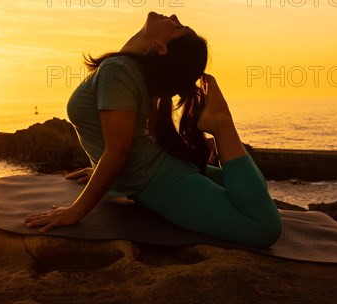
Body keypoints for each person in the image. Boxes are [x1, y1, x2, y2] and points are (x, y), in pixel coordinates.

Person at [25, 12, 282, 248]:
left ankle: (222, 125)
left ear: (161, 47)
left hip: (161, 181)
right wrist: (101, 170)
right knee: (253, 197)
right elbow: (127, 139)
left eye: (177, 25)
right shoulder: (130, 70)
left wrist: (74, 212)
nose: (173, 15)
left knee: (262, 227)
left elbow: (119, 150)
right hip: (161, 172)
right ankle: (221, 125)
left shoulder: (119, 71)